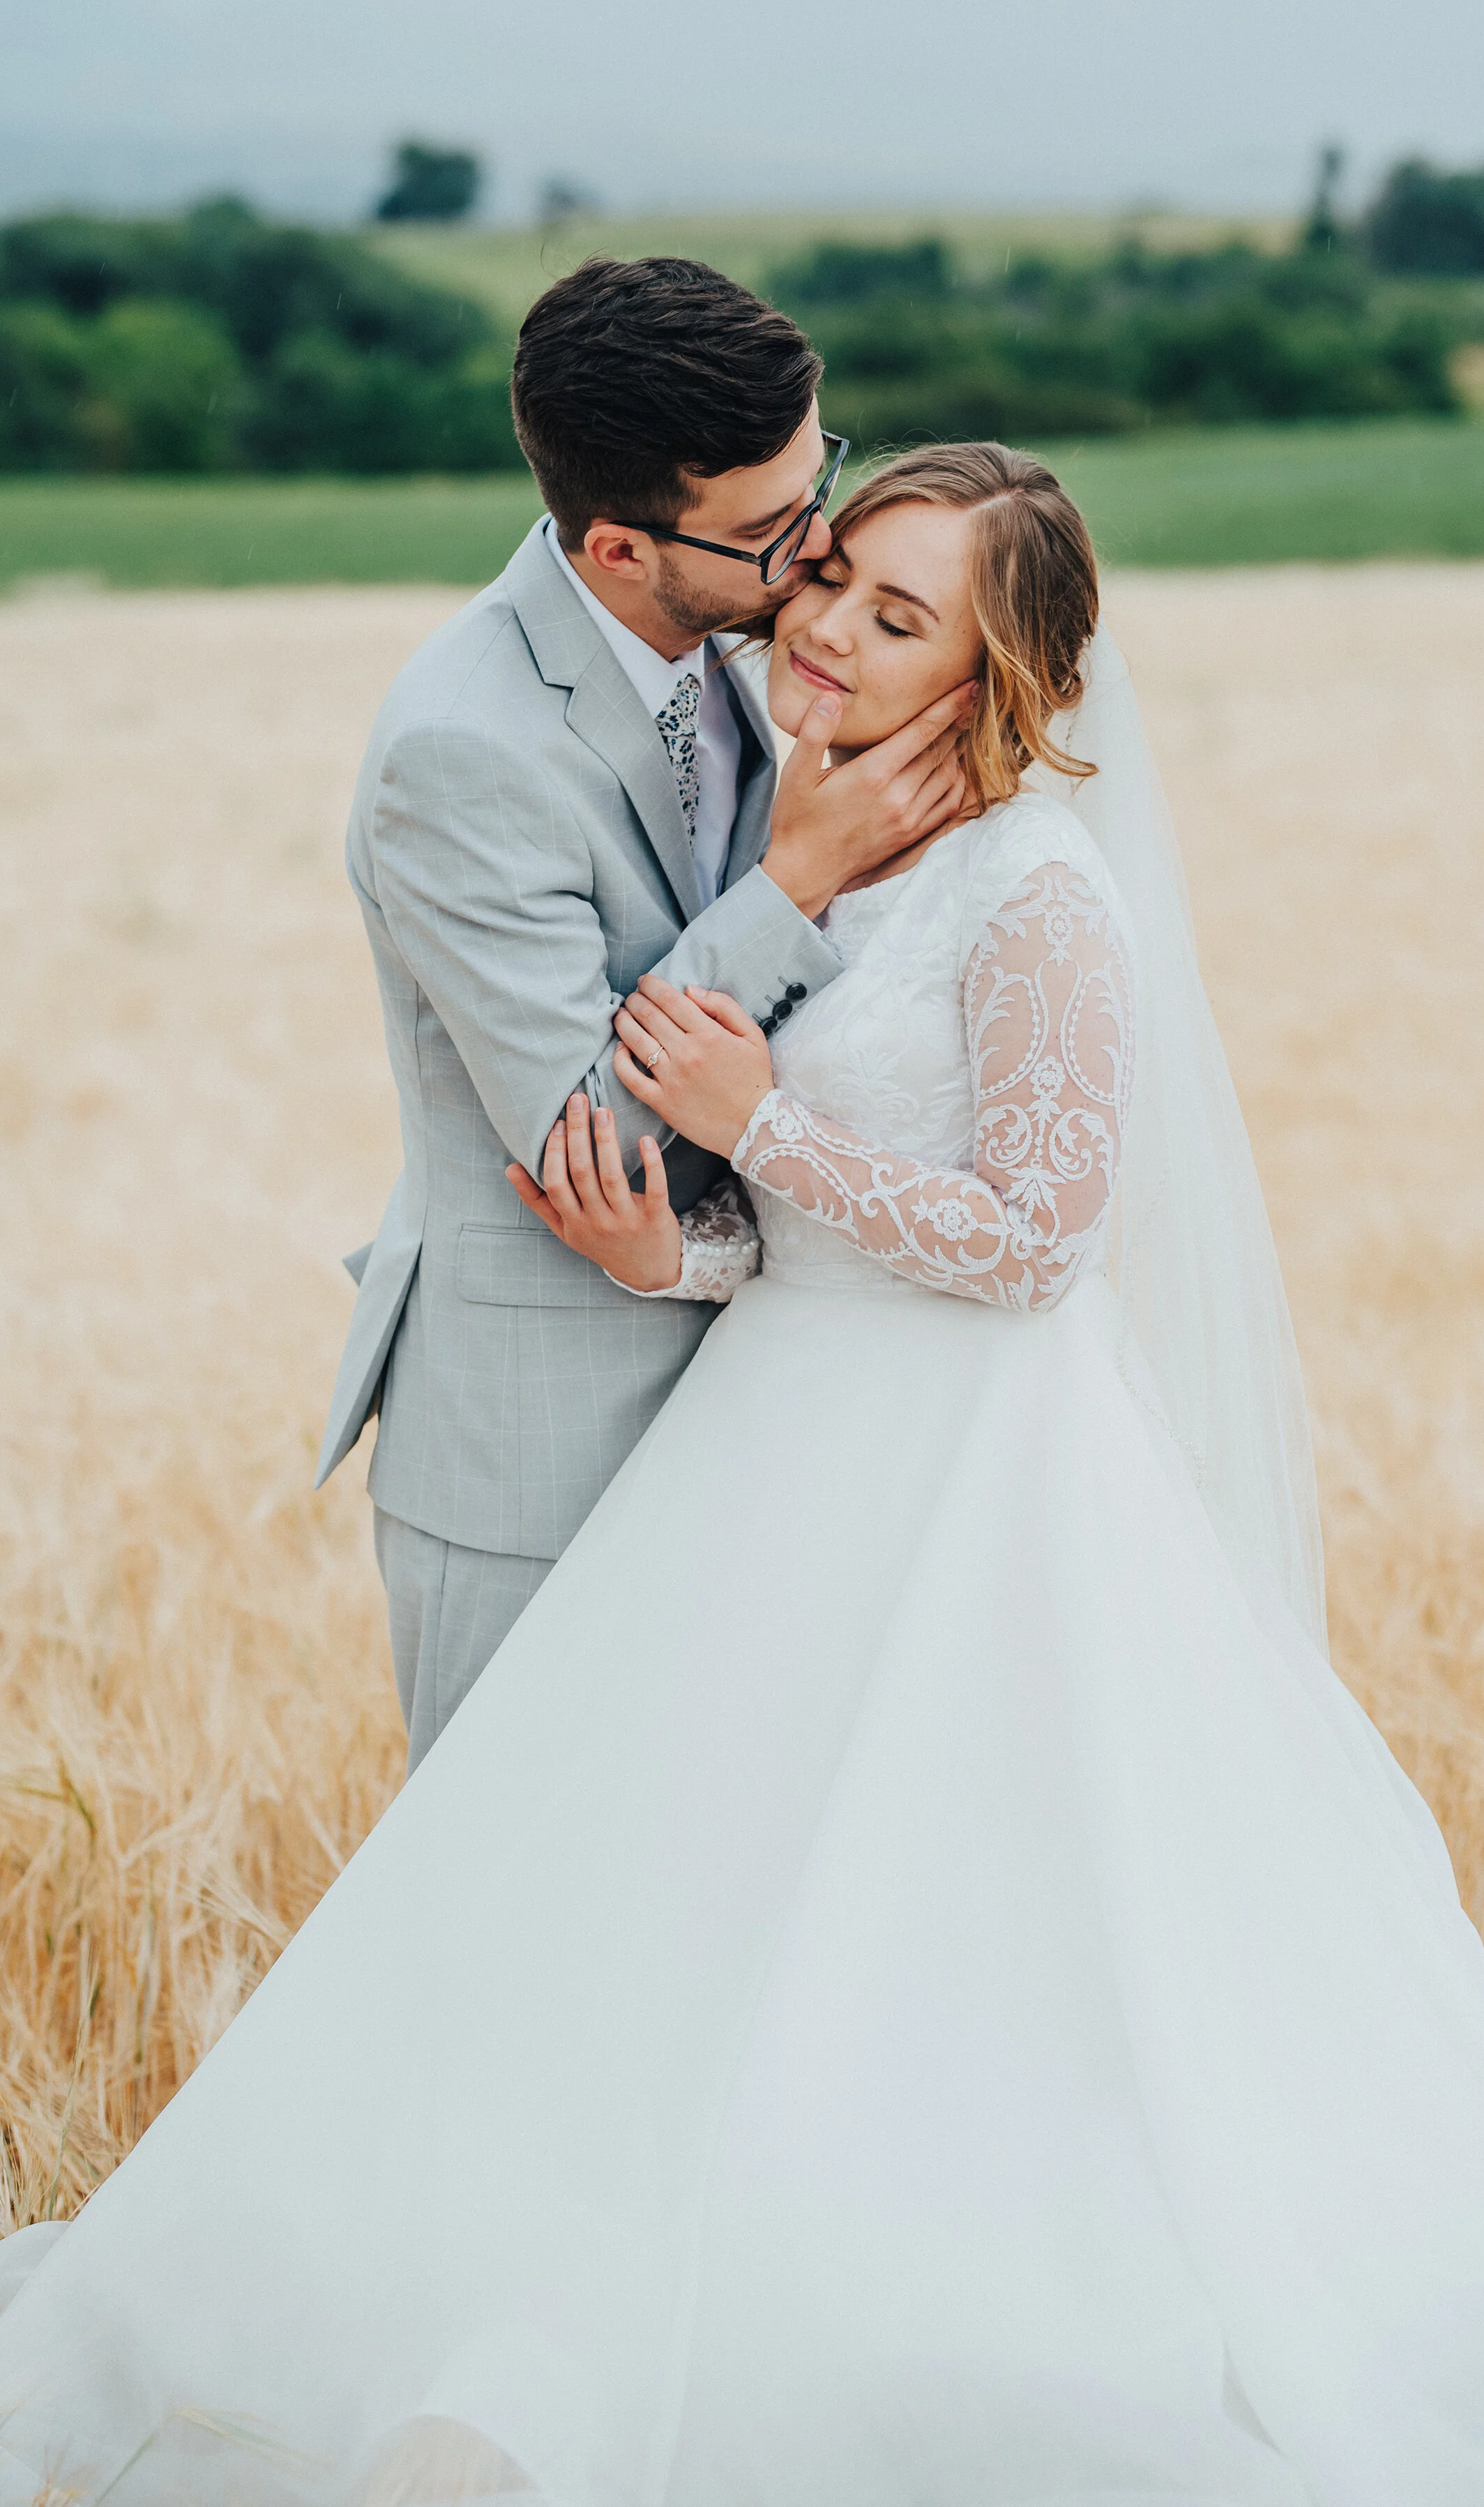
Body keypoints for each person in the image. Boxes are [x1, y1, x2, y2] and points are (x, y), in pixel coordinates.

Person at [1, 446, 1484, 2507]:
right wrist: (672, 1245)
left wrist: (761, 1122)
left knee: (940, 1920)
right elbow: (800, 1238)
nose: (832, 632)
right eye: (832, 582)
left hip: (977, 1496)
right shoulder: (839, 850)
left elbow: (1040, 1241)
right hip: (768, 1453)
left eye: (905, 618)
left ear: (1001, 672)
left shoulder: (1043, 890)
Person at [315, 255, 974, 1766]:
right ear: (618, 546)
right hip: (545, 1443)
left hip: (779, 1399)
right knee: (518, 1906)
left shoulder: (757, 641)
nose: (819, 553)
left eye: (823, 484)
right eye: (770, 530)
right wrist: (793, 884)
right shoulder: (461, 751)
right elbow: (592, 1145)